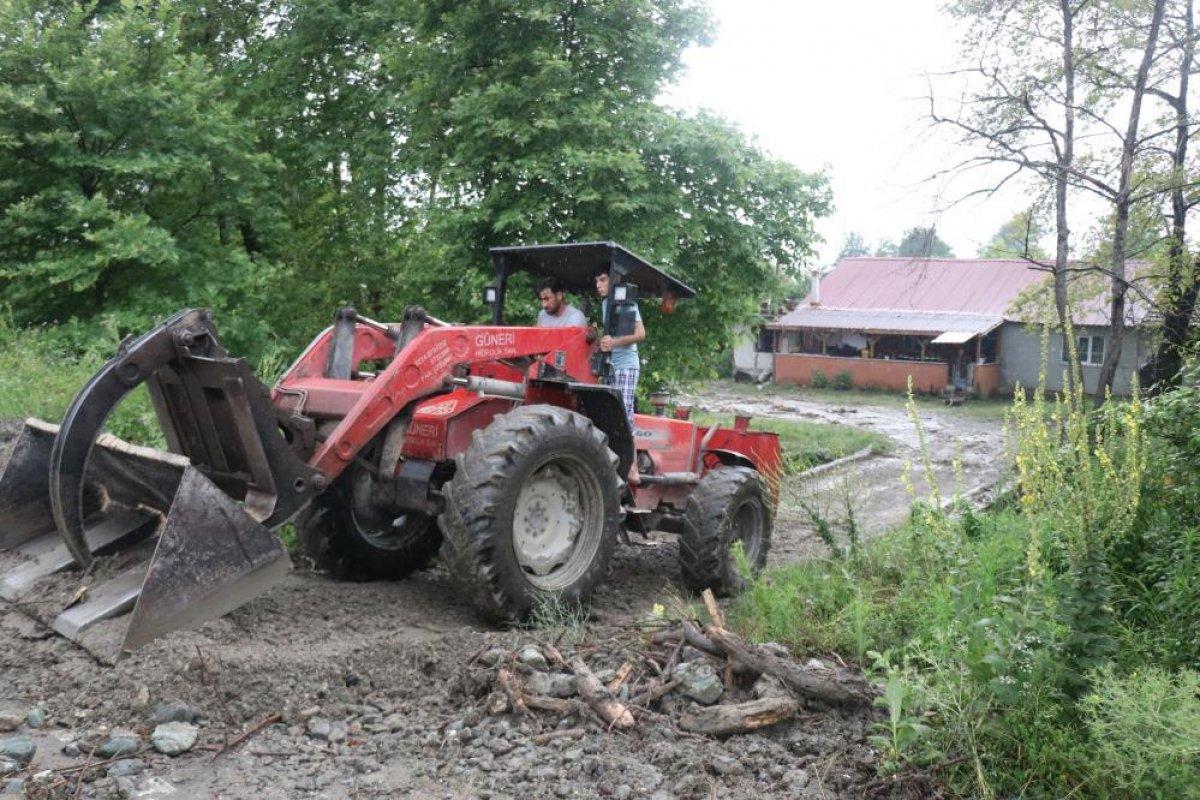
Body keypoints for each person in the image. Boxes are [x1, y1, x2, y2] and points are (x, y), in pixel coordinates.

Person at [594, 269, 645, 425]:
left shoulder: (627, 303)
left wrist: (613, 343)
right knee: (607, 412)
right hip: (611, 365)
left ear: (614, 280)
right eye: (596, 281)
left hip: (626, 365)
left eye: (602, 280)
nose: (598, 285)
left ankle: (628, 449)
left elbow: (641, 334)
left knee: (622, 413)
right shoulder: (605, 303)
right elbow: (613, 334)